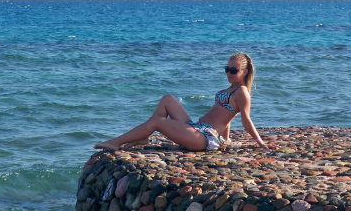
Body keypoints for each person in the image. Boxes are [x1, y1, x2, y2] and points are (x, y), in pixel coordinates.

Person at [94, 52, 278, 151]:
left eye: (233, 70)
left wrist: (260, 143)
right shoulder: (231, 89)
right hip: (197, 128)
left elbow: (245, 120)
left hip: (204, 138)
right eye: (227, 69)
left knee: (158, 122)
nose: (229, 73)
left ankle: (116, 142)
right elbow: (227, 118)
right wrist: (227, 139)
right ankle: (143, 137)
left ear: (245, 72)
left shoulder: (242, 92)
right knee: (168, 99)